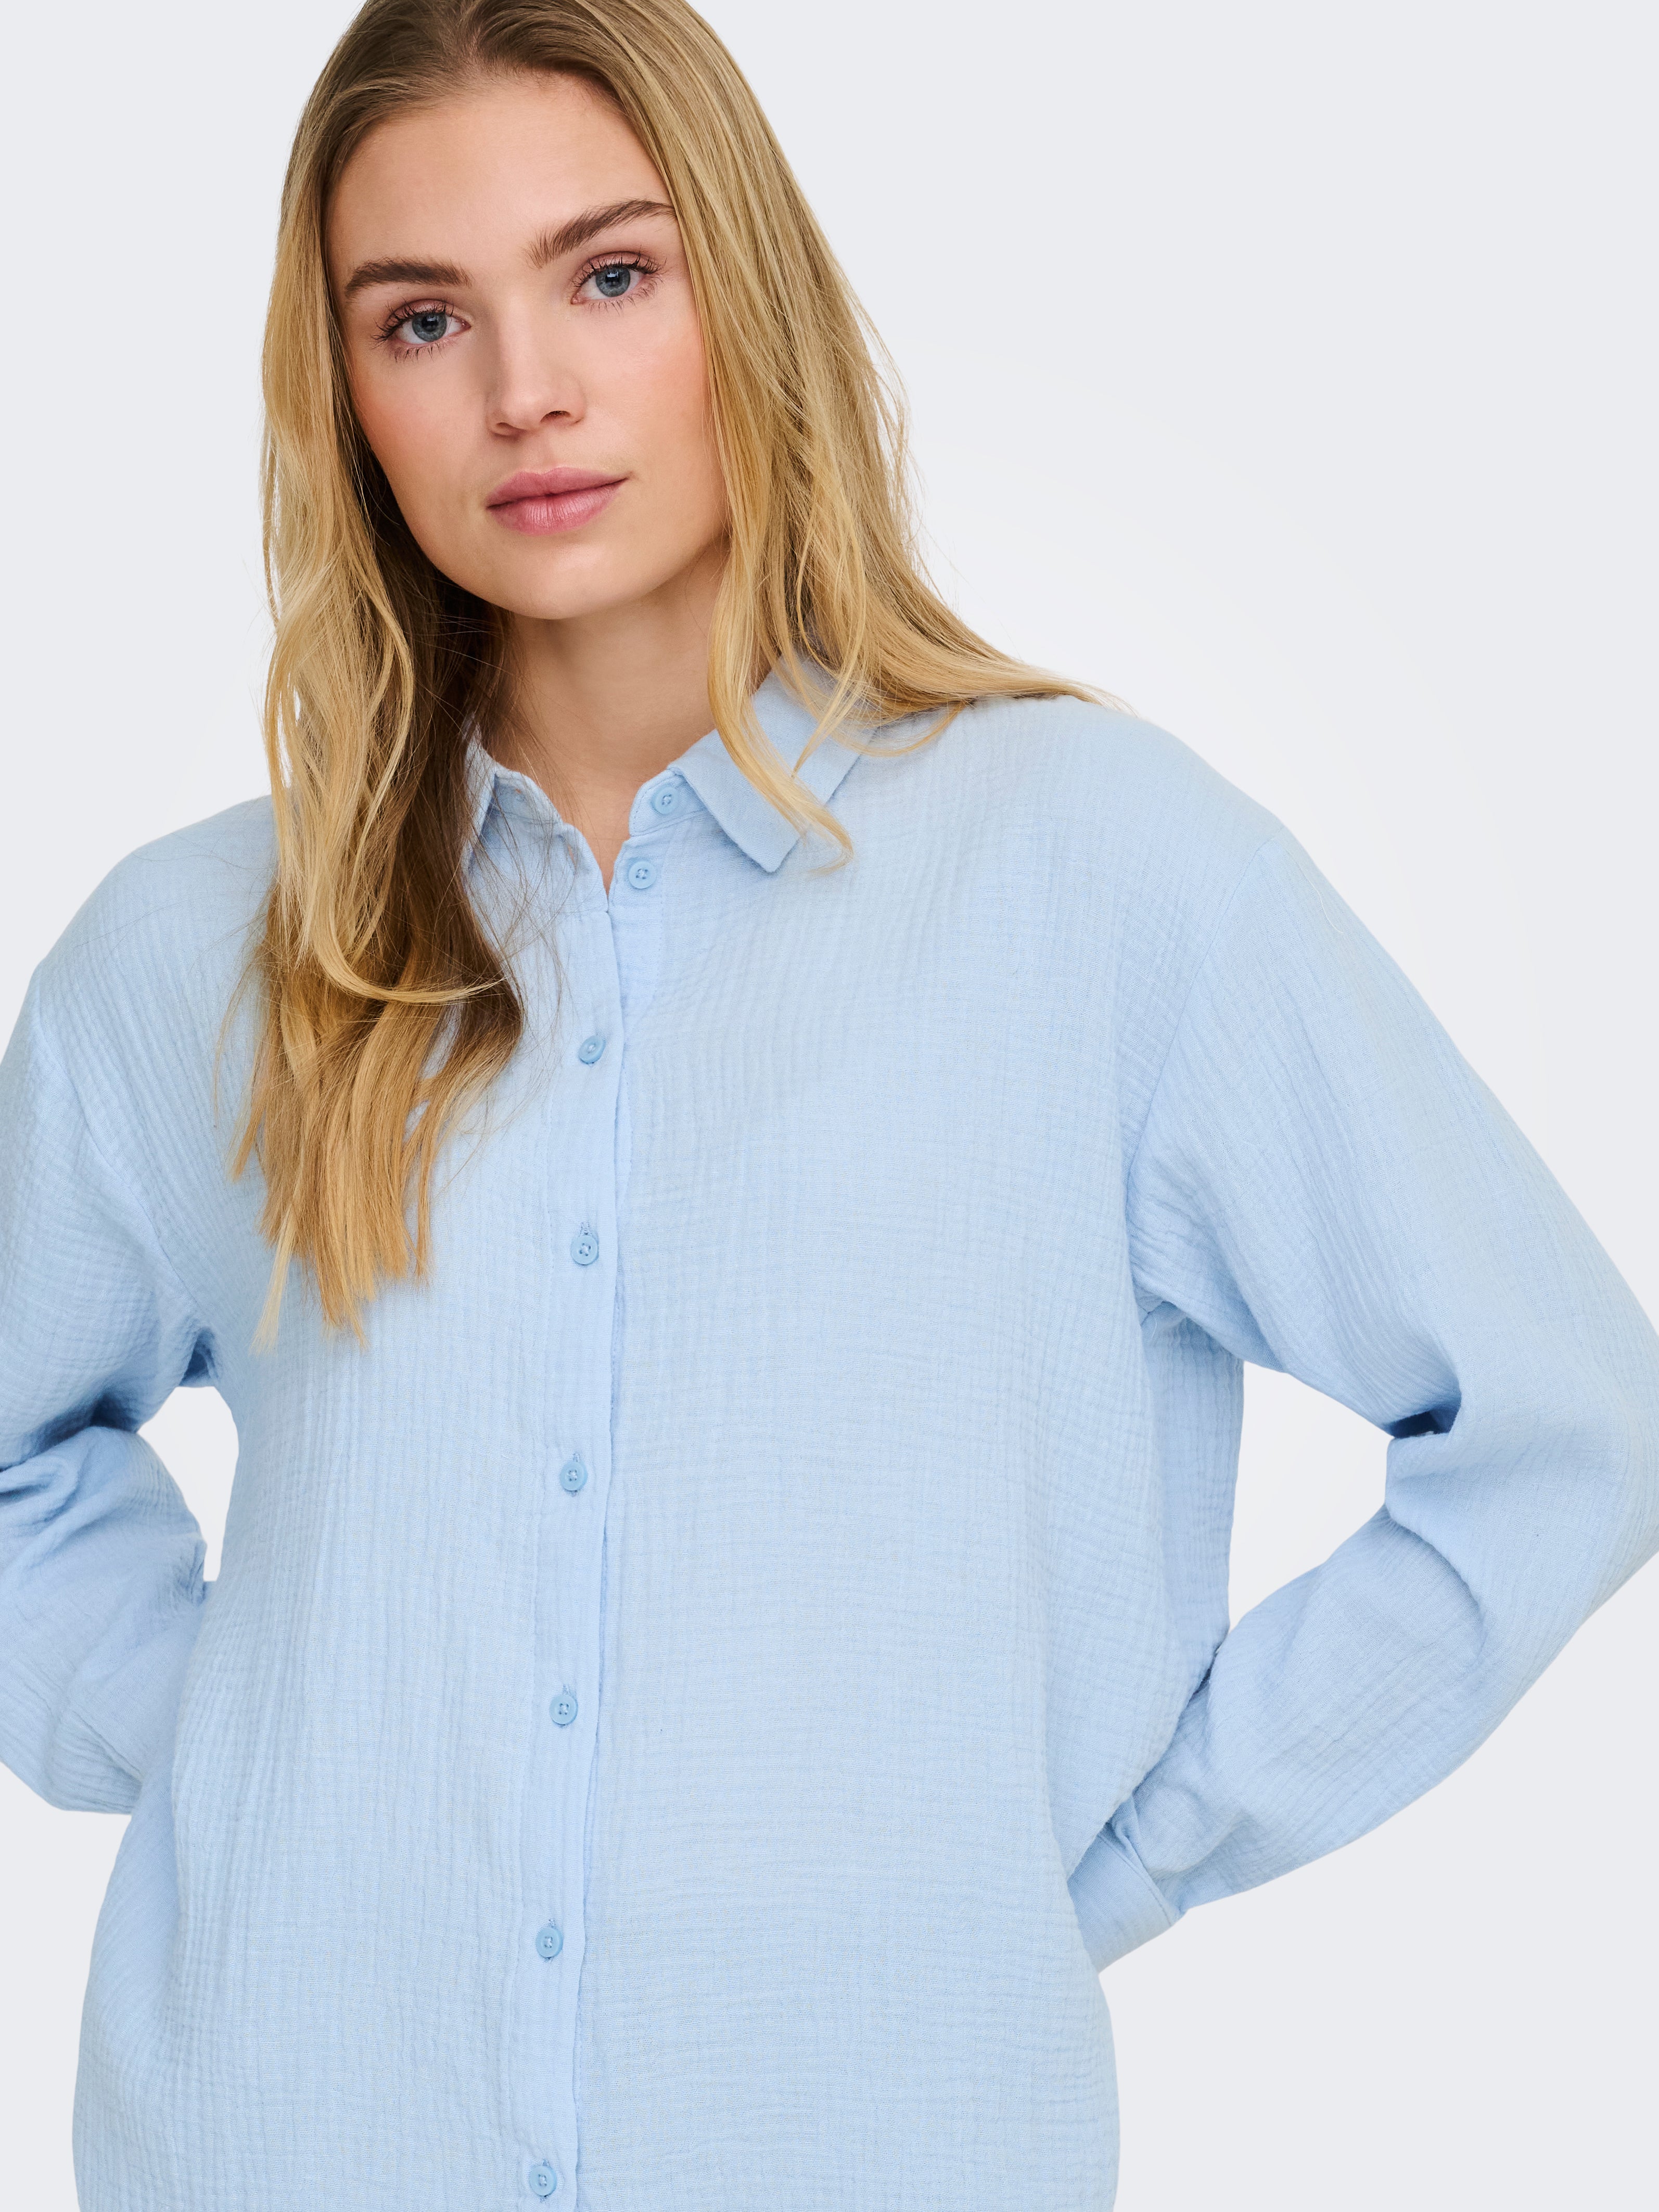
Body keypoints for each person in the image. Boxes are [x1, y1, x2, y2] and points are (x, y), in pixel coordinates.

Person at [2, 0, 1655, 2205]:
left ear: (746, 296)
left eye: (611, 274)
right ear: (345, 396)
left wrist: (1126, 1847)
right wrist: (245, 1756)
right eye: (422, 320)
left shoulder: (1099, 872)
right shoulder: (190, 952)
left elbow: (1561, 1426)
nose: (525, 392)